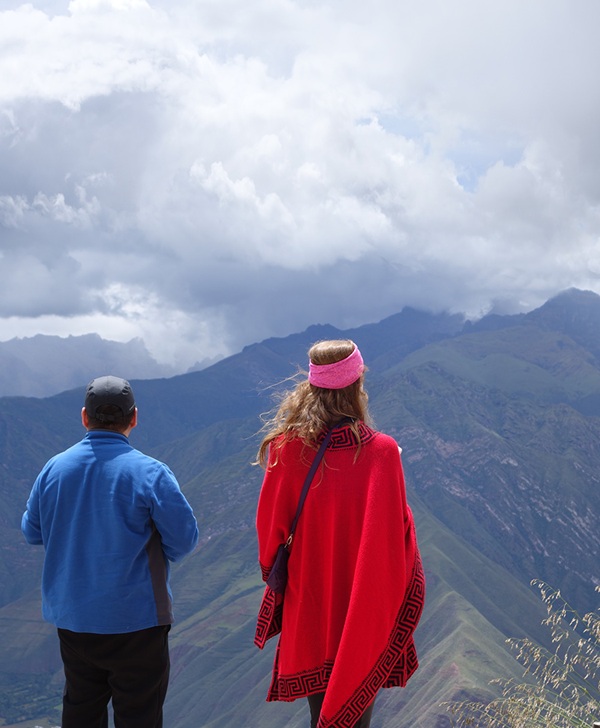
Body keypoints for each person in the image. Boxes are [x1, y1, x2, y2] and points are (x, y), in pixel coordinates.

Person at [254, 340, 425, 728]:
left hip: (309, 600)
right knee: (356, 711)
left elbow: (269, 539)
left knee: (320, 713)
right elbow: (395, 535)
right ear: (356, 385)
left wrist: (281, 579)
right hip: (361, 604)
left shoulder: (285, 449)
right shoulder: (382, 453)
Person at [21, 375, 199, 728]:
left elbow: (32, 531)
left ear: (85, 417)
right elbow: (184, 539)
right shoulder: (151, 473)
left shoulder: (53, 469)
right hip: (138, 619)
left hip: (73, 619)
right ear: (134, 418)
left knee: (81, 709)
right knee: (139, 716)